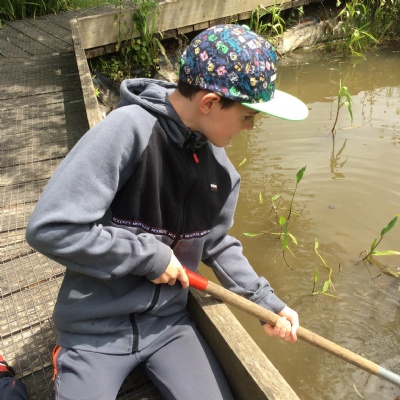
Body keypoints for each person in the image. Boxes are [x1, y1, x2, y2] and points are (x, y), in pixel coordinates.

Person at [26, 24, 308, 400]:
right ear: (209, 103)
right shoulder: (126, 131)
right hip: (94, 330)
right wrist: (148, 256)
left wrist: (264, 302)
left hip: (168, 326)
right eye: (247, 116)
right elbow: (51, 228)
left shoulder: (222, 172)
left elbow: (216, 242)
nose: (251, 126)